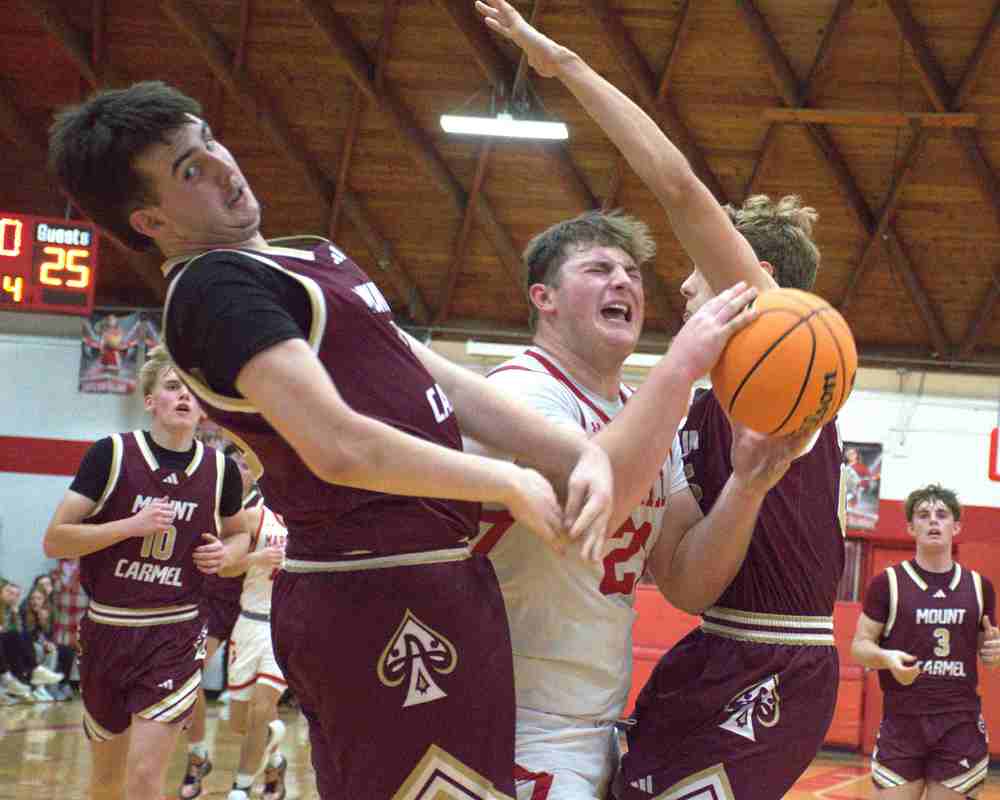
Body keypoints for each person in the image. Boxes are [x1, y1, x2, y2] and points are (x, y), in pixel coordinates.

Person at [49, 81, 616, 800]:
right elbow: (337, 446)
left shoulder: (305, 256)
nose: (224, 166)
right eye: (189, 169)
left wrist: (577, 451)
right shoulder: (214, 292)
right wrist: (507, 481)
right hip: (369, 585)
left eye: (210, 141)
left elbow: (440, 376)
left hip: (431, 572)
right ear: (150, 218)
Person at [475, 3, 848, 798]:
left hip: (778, 655)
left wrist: (569, 69)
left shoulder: (783, 373)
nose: (674, 286)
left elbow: (678, 186)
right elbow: (680, 583)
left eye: (691, 272)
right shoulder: (670, 411)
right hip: (692, 653)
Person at [42, 346, 248, 800]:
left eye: (192, 391)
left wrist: (227, 557)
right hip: (107, 630)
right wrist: (129, 527)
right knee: (106, 783)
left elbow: (239, 537)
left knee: (144, 779)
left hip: (174, 634)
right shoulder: (110, 455)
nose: (184, 397)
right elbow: (56, 539)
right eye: (173, 387)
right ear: (150, 400)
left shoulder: (221, 471)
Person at [852, 484, 998, 799]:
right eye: (923, 515)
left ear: (956, 526)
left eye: (942, 515)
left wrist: (993, 651)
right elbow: (859, 647)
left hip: (959, 723)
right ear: (910, 527)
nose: (933, 521)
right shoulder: (887, 583)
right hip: (901, 722)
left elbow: (987, 652)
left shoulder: (979, 587)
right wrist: (887, 659)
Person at [178, 443, 252, 800]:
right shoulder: (209, 499)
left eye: (246, 463)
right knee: (189, 674)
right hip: (214, 601)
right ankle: (198, 756)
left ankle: (266, 765)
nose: (241, 470)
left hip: (259, 607)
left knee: (256, 701)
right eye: (235, 463)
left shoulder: (270, 509)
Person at [216, 447, 289, 800]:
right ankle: (276, 753)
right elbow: (226, 568)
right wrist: (256, 557)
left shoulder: (310, 521)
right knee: (240, 723)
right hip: (248, 624)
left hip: (283, 626)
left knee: (263, 706)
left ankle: (241, 788)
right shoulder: (255, 516)